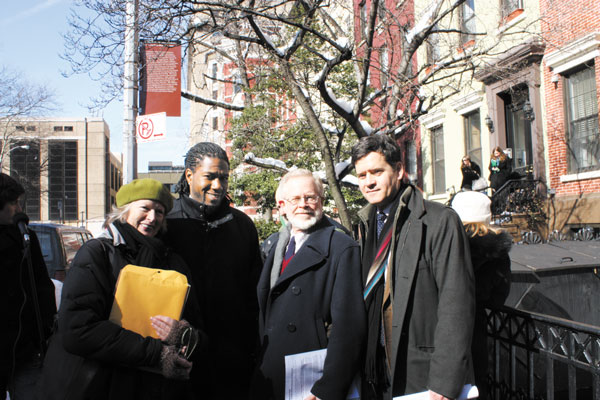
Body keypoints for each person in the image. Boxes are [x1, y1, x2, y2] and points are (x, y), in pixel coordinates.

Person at [38, 178, 205, 400]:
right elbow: (78, 329)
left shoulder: (173, 263)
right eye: (144, 208)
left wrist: (184, 335)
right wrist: (158, 354)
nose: (152, 217)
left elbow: (197, 328)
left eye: (160, 211)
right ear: (124, 212)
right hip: (97, 386)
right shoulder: (97, 253)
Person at [351, 135, 475, 400]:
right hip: (374, 373)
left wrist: (445, 382)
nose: (369, 181)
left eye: (376, 172)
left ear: (398, 170)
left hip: (420, 375)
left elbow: (457, 304)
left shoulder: (438, 221)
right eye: (361, 175)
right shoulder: (363, 226)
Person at [250, 169, 366, 400]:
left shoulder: (341, 247)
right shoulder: (276, 246)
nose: (303, 204)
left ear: (321, 202)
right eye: (295, 199)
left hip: (311, 380)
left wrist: (329, 388)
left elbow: (349, 327)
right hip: (271, 374)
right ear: (281, 206)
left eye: (311, 197)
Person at [164, 142, 263, 399]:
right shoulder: (167, 223)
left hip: (232, 361)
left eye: (224, 178)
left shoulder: (242, 226)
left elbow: (255, 295)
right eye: (210, 177)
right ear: (189, 175)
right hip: (179, 357)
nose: (218, 185)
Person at [451, 191, 512, 400]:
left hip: (440, 327)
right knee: (476, 386)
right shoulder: (497, 252)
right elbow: (499, 297)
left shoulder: (447, 243)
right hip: (475, 327)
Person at [1, 173, 56, 400]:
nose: (19, 208)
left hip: (25, 349)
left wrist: (44, 334)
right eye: (13, 203)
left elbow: (42, 287)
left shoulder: (25, 237)